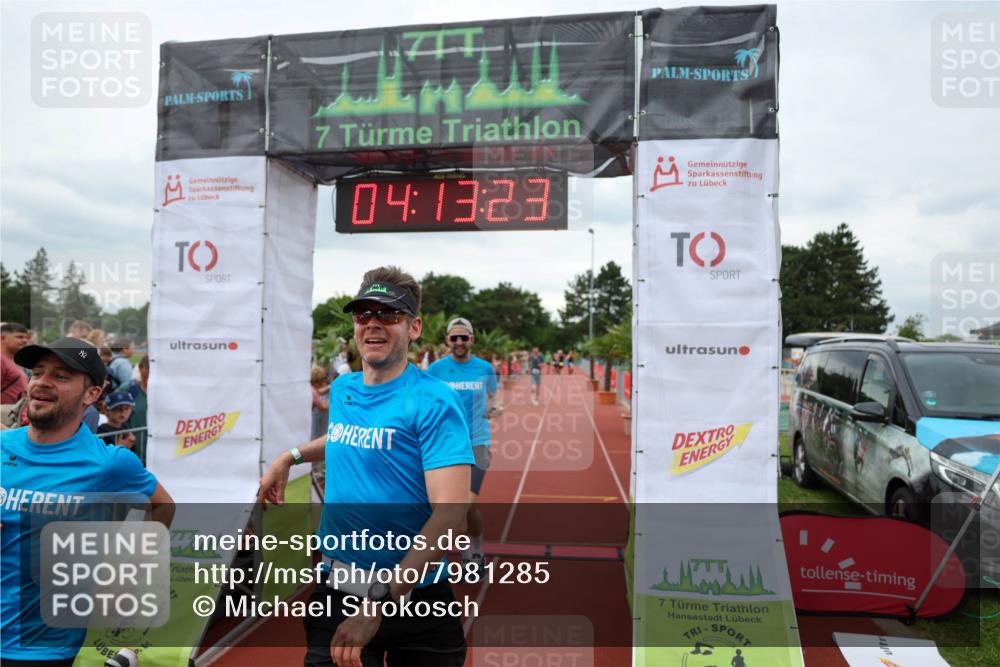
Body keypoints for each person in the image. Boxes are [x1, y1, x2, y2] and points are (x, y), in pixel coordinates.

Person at [259, 266, 472, 667]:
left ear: (413, 327)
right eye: (363, 315)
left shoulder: (434, 401)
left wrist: (380, 601)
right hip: (337, 593)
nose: (373, 323)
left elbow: (451, 515)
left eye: (388, 315)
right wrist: (292, 456)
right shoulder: (344, 388)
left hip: (416, 600)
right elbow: (345, 435)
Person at [0, 336, 174, 665]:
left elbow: (164, 506)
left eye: (61, 376)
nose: (43, 383)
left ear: (92, 394)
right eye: (37, 372)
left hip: (43, 648)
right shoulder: (2, 445)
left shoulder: (110, 463)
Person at [427, 317, 500, 570]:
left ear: (472, 340)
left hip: (477, 442)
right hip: (445, 445)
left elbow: (493, 395)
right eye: (454, 337)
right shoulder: (436, 370)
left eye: (464, 337)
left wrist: (494, 407)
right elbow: (426, 400)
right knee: (442, 506)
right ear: (447, 340)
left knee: (466, 505)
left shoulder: (485, 368)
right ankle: (436, 555)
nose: (459, 342)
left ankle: (475, 547)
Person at [1, 323, 30, 428]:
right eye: (19, 337)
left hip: (13, 419)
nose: (24, 340)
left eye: (26, 337)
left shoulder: (14, 361)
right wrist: (6, 432)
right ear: (2, 338)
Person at [310, 366, 331, 440]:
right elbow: (324, 407)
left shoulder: (311, 388)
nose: (324, 380)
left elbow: (319, 392)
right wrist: (334, 399)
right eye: (323, 378)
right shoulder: (311, 391)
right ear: (317, 380)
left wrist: (330, 387)